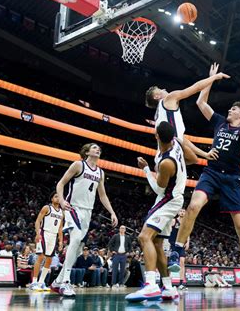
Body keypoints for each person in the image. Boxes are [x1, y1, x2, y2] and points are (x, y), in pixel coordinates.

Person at [169, 74, 240, 300]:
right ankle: (177, 251)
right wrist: (210, 80)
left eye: (235, 109)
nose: (230, 110)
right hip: (211, 173)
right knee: (193, 206)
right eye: (231, 109)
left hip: (232, 179)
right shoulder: (221, 122)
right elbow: (200, 103)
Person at [125, 122, 198, 302]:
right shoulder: (177, 145)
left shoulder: (166, 163)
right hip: (173, 196)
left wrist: (146, 170)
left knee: (144, 237)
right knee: (157, 245)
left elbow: (159, 189)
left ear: (156, 136)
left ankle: (150, 285)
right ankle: (168, 287)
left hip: (169, 198)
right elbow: (194, 159)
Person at [51, 143, 118, 297]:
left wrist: (112, 212)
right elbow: (61, 183)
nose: (98, 149)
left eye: (99, 149)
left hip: (87, 212)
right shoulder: (78, 165)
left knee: (79, 248)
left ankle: (57, 282)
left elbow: (102, 195)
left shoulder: (100, 172)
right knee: (74, 241)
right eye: (94, 147)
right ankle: (66, 283)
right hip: (72, 207)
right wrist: (61, 200)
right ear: (87, 152)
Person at [145, 63, 228, 160]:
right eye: (160, 89)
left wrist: (204, 154)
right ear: (156, 97)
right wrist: (214, 77)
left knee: (194, 160)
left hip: (165, 154)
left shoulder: (159, 114)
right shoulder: (168, 99)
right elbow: (195, 88)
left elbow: (182, 139)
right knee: (192, 160)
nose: (164, 89)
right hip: (170, 154)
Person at [30, 191, 64, 291]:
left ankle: (41, 282)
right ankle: (34, 282)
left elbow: (60, 228)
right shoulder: (47, 208)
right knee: (40, 257)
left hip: (53, 236)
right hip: (44, 233)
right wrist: (37, 233)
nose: (58, 198)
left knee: (49, 259)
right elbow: (37, 221)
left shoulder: (62, 212)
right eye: (56, 196)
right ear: (52, 199)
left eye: (59, 197)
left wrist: (61, 241)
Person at [168, 209, 190, 290]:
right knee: (171, 263)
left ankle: (181, 284)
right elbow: (168, 230)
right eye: (181, 211)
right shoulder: (174, 221)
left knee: (182, 263)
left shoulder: (186, 223)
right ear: (178, 212)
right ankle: (167, 283)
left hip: (181, 244)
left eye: (184, 211)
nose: (182, 213)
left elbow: (187, 233)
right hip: (172, 243)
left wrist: (187, 242)